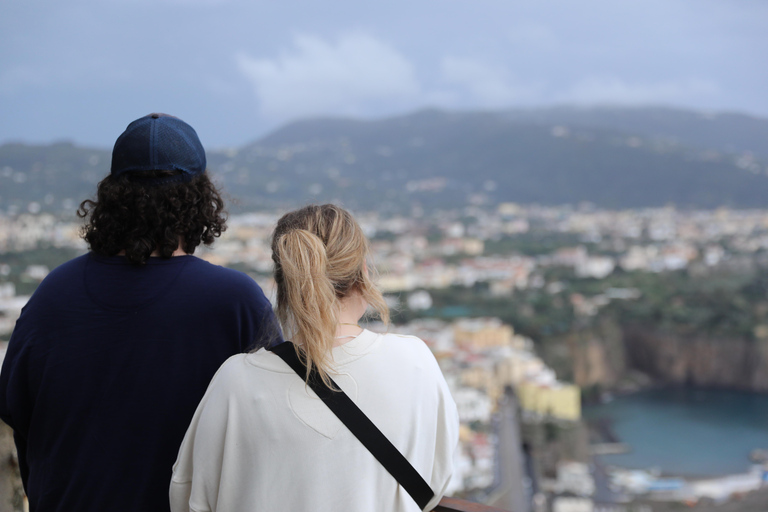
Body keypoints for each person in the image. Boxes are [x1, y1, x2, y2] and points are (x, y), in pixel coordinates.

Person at [0, 113, 278, 512]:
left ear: (112, 198)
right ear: (200, 201)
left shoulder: (52, 296)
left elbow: (19, 416)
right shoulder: (234, 303)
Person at [170, 204, 459, 512]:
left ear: (285, 285)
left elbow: (189, 498)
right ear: (362, 272)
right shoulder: (415, 362)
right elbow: (435, 482)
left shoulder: (235, 382)